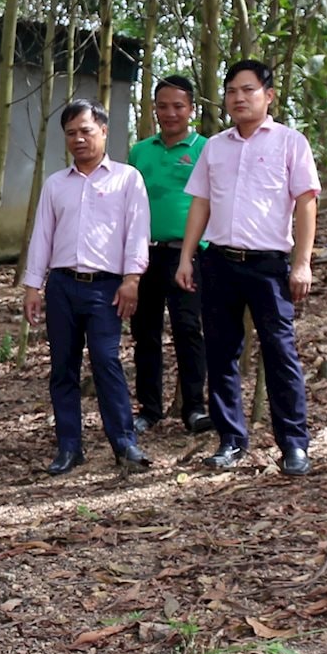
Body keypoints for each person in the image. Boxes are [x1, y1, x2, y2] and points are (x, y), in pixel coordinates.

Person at [175, 60, 318, 477]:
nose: (238, 98)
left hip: (269, 265)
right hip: (218, 260)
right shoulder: (215, 147)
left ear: (268, 95)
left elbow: (307, 203)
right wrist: (187, 257)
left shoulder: (291, 143)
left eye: (248, 89)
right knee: (220, 352)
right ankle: (231, 439)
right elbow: (200, 202)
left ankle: (293, 444)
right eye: (231, 90)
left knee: (280, 352)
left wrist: (303, 263)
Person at [20, 100, 152, 474]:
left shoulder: (127, 179)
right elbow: (42, 236)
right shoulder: (55, 184)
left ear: (104, 131)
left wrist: (132, 279)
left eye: (86, 131)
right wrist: (33, 286)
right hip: (62, 285)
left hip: (106, 287)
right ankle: (69, 446)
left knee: (107, 362)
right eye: (71, 133)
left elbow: (137, 231)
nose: (79, 139)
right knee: (63, 367)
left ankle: (124, 444)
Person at [127, 76, 212, 433]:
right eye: (163, 106)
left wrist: (193, 254)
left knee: (188, 329)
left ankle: (193, 407)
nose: (170, 113)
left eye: (178, 106)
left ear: (192, 108)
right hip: (144, 255)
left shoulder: (207, 148)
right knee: (144, 332)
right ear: (154, 109)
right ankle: (149, 408)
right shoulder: (139, 151)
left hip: (188, 255)